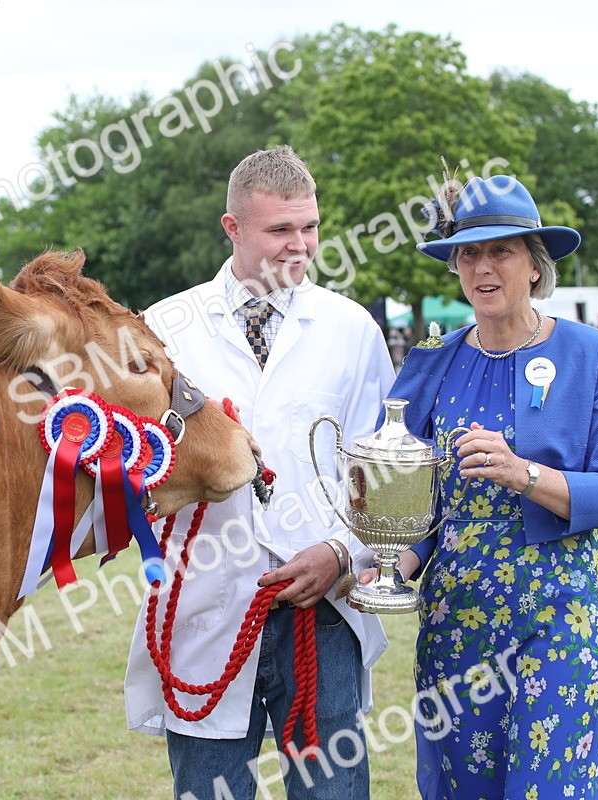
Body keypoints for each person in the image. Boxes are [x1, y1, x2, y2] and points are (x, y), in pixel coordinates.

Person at [124, 145, 395, 799]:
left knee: (332, 791)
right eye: (280, 229)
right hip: (204, 606)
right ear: (233, 227)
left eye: (310, 227)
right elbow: (132, 468)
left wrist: (342, 552)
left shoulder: (351, 329)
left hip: (322, 612)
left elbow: (381, 469)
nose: (300, 246)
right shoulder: (165, 328)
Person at [361, 173, 598, 799]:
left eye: (501, 251)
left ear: (536, 266)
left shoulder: (594, 354)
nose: (483, 268)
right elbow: (415, 501)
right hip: (458, 621)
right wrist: (392, 563)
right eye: (469, 254)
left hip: (562, 613)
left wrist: (525, 474)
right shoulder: (432, 361)